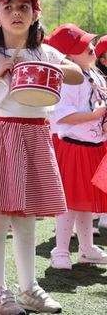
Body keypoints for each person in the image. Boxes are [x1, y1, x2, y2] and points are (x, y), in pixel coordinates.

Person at [0, 0, 83, 315]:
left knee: (27, 218)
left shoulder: (45, 51)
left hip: (36, 134)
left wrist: (47, 62)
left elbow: (77, 73)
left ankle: (29, 289)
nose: (16, 13)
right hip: (1, 134)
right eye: (8, 7)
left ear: (34, 13)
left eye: (23, 7)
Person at [47, 23, 107, 270]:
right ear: (68, 57)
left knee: (86, 201)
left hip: (94, 145)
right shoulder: (69, 79)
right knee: (70, 201)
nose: (92, 49)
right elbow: (62, 116)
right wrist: (96, 115)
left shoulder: (93, 74)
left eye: (90, 43)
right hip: (74, 147)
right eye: (84, 47)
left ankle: (86, 248)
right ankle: (60, 249)